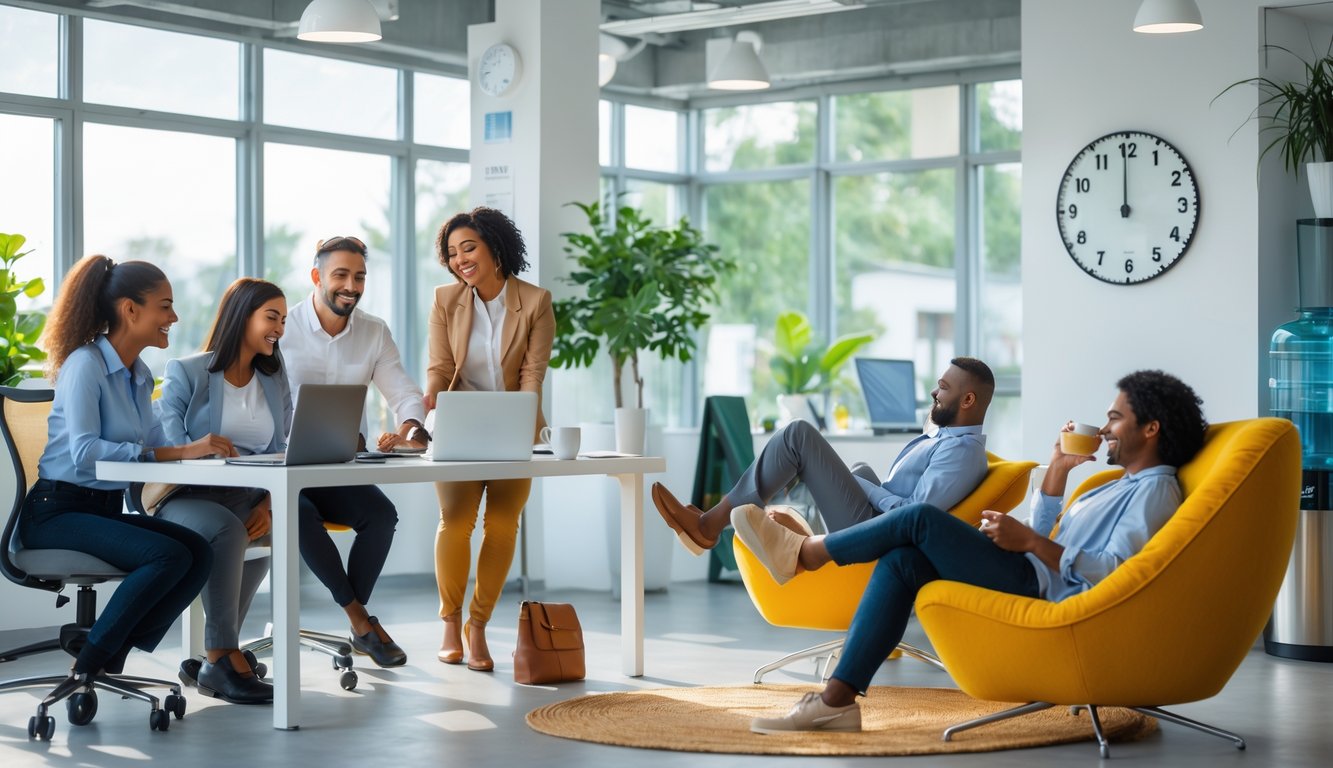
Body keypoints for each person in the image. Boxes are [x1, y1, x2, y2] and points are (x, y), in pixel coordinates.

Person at [733, 370, 1206, 733]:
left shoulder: (1154, 494)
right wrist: (1056, 476)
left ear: (1151, 429)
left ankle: (805, 554)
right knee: (904, 561)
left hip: (1036, 587)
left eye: (1116, 417)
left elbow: (1115, 574)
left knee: (918, 520)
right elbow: (1051, 537)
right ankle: (836, 703)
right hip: (1025, 567)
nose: (1104, 428)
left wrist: (1033, 544)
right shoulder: (1114, 486)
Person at [18, 254, 223, 691]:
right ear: (130, 310)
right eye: (164, 306)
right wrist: (173, 452)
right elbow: (86, 453)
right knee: (166, 556)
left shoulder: (141, 374)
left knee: (199, 552)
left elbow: (154, 445)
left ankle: (113, 653)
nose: (174, 316)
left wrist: (201, 449)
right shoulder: (85, 366)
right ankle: (90, 660)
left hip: (103, 508)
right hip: (57, 513)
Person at [652, 357, 995, 554]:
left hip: (881, 539)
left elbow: (916, 514)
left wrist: (864, 487)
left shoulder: (961, 453)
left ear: (968, 402)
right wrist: (861, 481)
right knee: (853, 467)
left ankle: (708, 526)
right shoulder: (949, 438)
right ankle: (795, 531)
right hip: (878, 523)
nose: (935, 392)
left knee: (798, 435)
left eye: (945, 389)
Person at [279, 236, 427, 668]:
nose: (351, 285)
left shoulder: (373, 331)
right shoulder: (282, 328)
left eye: (359, 276)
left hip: (339, 465)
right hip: (284, 468)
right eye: (340, 275)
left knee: (381, 516)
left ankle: (357, 618)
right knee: (298, 513)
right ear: (317, 277)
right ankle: (361, 622)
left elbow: (404, 391)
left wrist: (408, 426)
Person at [426, 207, 554, 671]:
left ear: (495, 247)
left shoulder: (536, 302)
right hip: (459, 426)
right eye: (453, 252)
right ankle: (450, 620)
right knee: (455, 521)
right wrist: (427, 412)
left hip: (514, 430)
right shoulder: (445, 300)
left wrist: (520, 424)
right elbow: (440, 369)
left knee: (502, 526)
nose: (460, 259)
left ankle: (477, 626)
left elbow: (532, 373)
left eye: (469, 247)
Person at [153, 278, 292, 704]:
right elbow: (171, 447)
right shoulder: (189, 371)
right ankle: (221, 656)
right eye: (272, 317)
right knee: (229, 531)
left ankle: (223, 655)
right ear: (242, 317)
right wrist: (201, 448)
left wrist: (270, 503)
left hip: (246, 494)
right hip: (186, 496)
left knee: (285, 524)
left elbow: (283, 448)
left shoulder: (273, 376)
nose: (280, 329)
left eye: (284, 320)